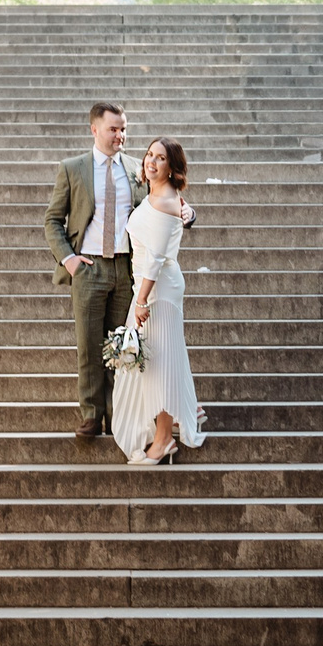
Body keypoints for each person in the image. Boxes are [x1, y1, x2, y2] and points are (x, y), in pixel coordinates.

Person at [45, 104, 194, 439]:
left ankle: (117, 416)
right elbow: (53, 219)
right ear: (94, 130)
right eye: (113, 129)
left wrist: (187, 211)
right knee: (89, 345)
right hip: (89, 267)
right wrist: (69, 259)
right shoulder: (73, 169)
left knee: (124, 346)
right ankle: (90, 415)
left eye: (124, 129)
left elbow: (161, 200)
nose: (120, 136)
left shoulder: (136, 169)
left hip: (126, 269)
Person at [110, 137, 205, 465]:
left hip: (157, 290)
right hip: (149, 287)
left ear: (171, 166)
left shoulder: (166, 201)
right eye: (149, 154)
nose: (151, 161)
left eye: (160, 158)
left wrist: (142, 300)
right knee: (155, 362)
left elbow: (155, 258)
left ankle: (164, 439)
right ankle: (181, 410)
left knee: (159, 364)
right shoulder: (154, 193)